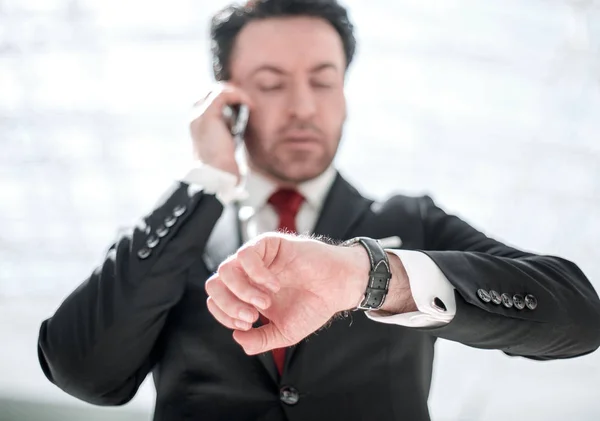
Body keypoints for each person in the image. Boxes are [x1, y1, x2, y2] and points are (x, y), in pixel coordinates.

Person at [37, 1, 600, 420]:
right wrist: (206, 178)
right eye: (272, 84)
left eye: (323, 81)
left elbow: (578, 316)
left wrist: (370, 277)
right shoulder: (172, 244)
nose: (304, 107)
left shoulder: (410, 224)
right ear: (228, 101)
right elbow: (84, 371)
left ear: (346, 93)